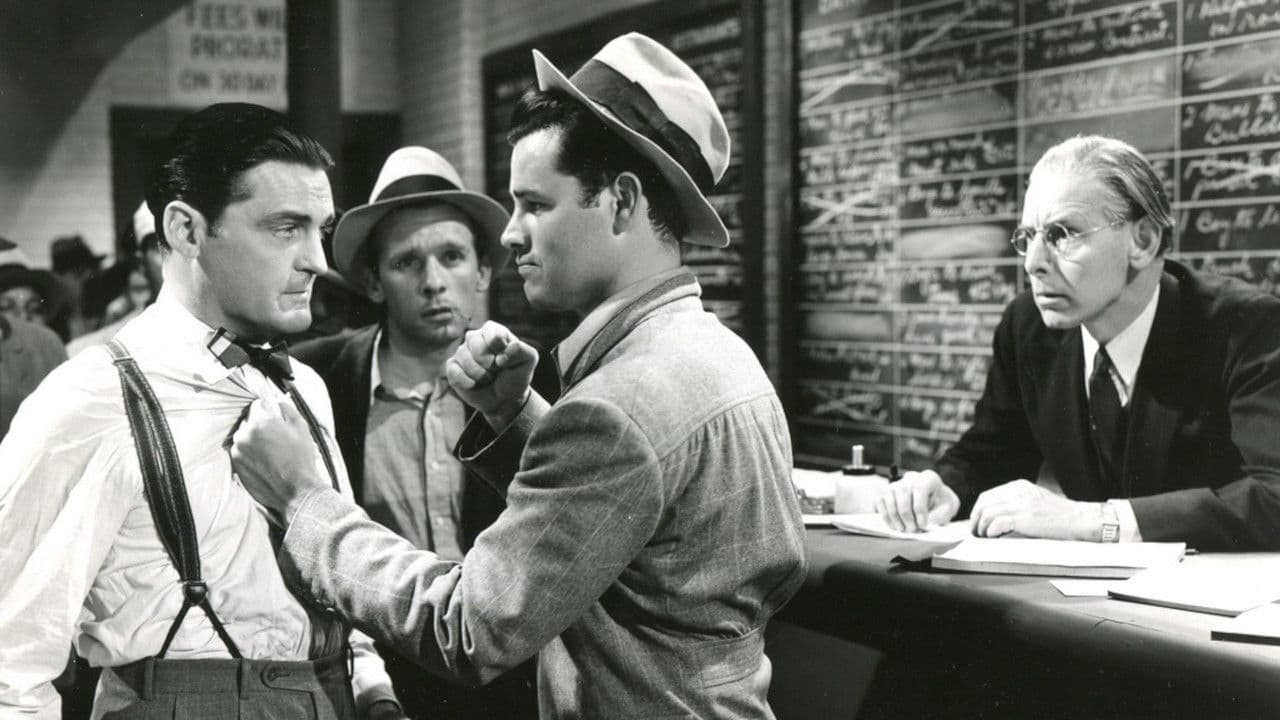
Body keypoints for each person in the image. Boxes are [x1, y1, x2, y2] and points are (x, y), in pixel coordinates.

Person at [229, 33, 807, 719]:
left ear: (622, 202)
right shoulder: (720, 356)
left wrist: (303, 502)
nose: (510, 233)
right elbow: (629, 536)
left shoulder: (619, 405)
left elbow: (467, 627)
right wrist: (517, 418)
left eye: (536, 204)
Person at [0, 103, 405, 720]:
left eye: (320, 230)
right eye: (285, 228)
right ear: (187, 231)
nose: (318, 261)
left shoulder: (302, 386)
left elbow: (333, 588)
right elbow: (10, 666)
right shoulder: (92, 401)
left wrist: (374, 692)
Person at [876, 135, 1280, 551]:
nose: (1033, 263)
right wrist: (947, 487)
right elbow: (995, 452)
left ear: (1142, 241)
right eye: (1028, 236)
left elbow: (1275, 495)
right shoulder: (1028, 326)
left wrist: (1096, 521)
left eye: (1061, 234)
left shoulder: (1247, 327)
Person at [292, 146, 556, 720]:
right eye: (407, 263)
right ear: (373, 282)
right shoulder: (320, 379)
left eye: (452, 257)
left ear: (482, 272)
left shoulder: (536, 380)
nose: (434, 282)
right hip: (375, 676)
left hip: (511, 678)